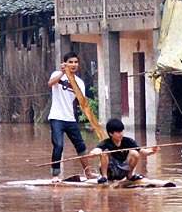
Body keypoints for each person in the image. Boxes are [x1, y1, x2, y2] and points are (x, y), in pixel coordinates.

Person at [48, 52, 97, 182]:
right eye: (70, 62)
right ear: (65, 63)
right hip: (57, 117)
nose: (73, 65)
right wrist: (63, 73)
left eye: (75, 62)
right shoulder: (57, 75)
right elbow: (50, 83)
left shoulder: (80, 83)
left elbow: (82, 103)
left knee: (81, 145)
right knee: (58, 145)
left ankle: (88, 172)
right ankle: (55, 174)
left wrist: (92, 122)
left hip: (70, 119)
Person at [89, 118, 159, 184]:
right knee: (104, 153)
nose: (121, 134)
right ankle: (104, 177)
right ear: (111, 134)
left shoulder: (128, 141)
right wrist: (94, 153)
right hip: (110, 172)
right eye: (118, 132)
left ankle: (130, 175)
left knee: (134, 153)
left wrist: (152, 151)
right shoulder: (106, 143)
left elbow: (142, 151)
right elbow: (96, 150)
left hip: (123, 170)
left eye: (122, 131)